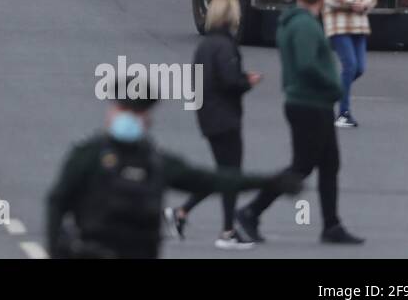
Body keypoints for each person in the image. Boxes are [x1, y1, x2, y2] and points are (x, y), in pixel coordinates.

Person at [46, 92, 298, 259]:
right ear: (111, 113)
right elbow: (57, 201)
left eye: (137, 112)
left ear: (147, 120)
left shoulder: (154, 162)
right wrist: (55, 249)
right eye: (125, 110)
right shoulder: (88, 157)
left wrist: (268, 182)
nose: (130, 118)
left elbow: (210, 180)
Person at [235, 0, 364, 246]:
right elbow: (307, 64)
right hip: (309, 103)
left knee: (330, 164)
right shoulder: (305, 26)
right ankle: (251, 212)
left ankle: (332, 224)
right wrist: (332, 84)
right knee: (302, 166)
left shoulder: (294, 21)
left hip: (311, 103)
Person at [163, 0, 263, 249]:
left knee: (222, 173)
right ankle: (227, 231)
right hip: (225, 116)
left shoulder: (205, 45)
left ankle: (182, 213)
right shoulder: (225, 46)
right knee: (231, 175)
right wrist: (247, 82)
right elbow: (230, 81)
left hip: (208, 115)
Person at [321, 0, 376, 128]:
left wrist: (366, 3)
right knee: (350, 65)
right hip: (338, 22)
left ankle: (329, 93)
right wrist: (350, 2)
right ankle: (343, 113)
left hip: (359, 22)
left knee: (359, 68)